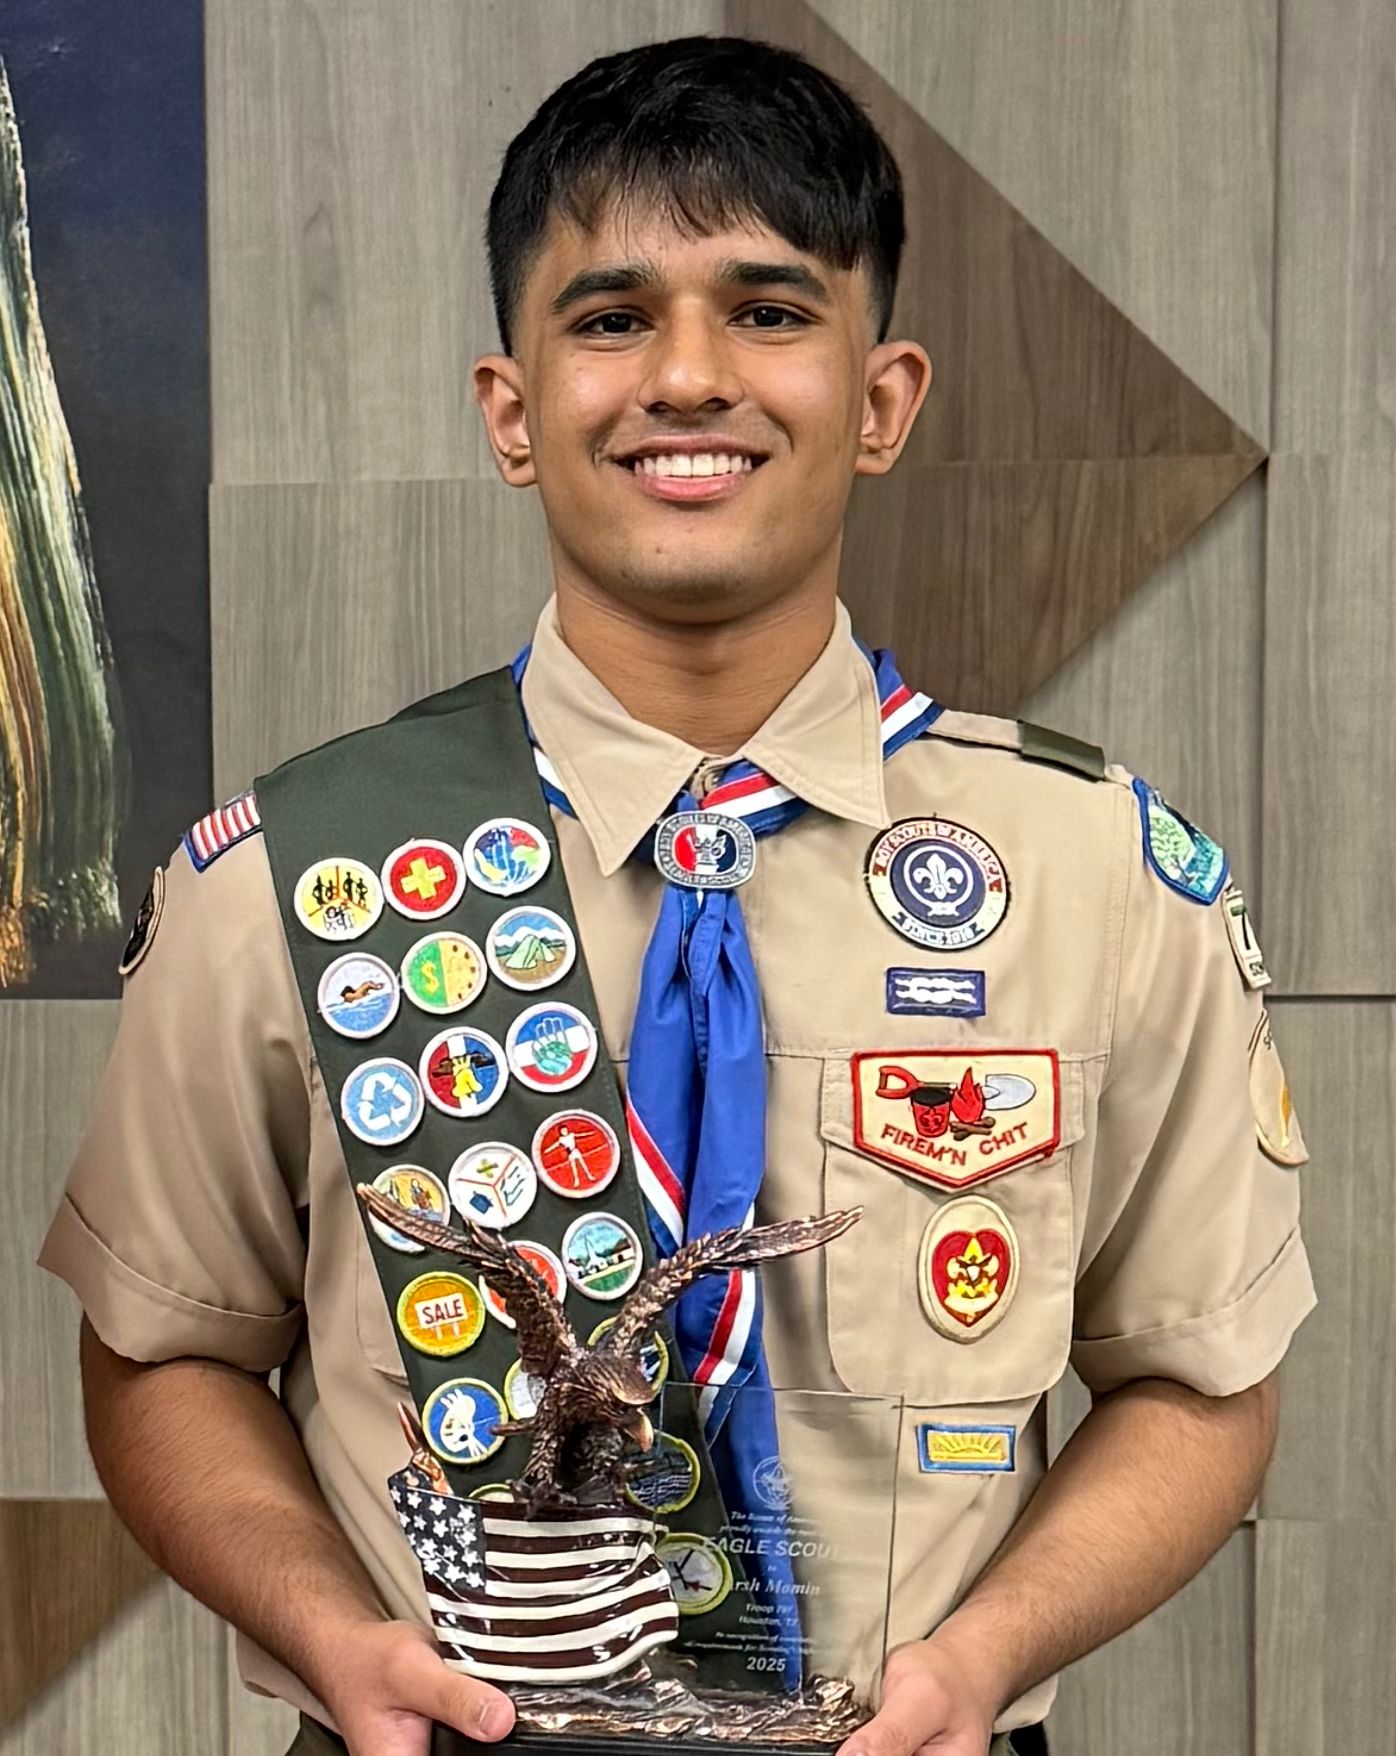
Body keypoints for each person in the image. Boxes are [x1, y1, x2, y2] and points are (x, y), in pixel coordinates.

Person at [35, 33, 1315, 1756]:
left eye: (770, 312)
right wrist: (333, 1639)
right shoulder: (296, 875)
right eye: (613, 318)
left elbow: (1196, 1379)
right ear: (512, 410)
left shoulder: (1098, 880)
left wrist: (988, 1657)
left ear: (883, 401)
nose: (690, 376)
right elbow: (166, 1355)